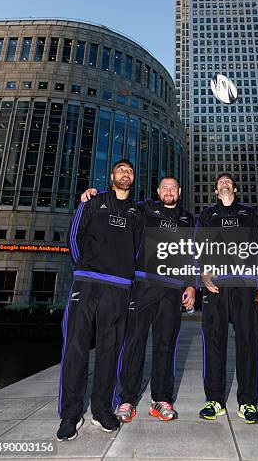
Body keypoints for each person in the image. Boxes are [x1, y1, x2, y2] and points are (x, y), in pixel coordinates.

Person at [81, 177, 195, 422]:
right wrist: (95, 194)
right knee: (135, 342)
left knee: (165, 344)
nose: (168, 191)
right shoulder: (144, 208)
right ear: (157, 191)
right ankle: (127, 400)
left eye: (173, 188)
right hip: (143, 284)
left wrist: (191, 285)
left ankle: (161, 399)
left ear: (180, 191)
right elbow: (120, 198)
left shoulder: (188, 218)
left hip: (172, 288)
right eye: (164, 188)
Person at [57, 159, 142, 442]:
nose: (125, 173)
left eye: (129, 171)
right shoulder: (93, 201)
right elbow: (74, 236)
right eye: (121, 170)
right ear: (112, 175)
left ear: (133, 178)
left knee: (109, 350)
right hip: (88, 283)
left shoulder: (136, 212)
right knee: (76, 347)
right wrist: (83, 267)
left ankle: (101, 409)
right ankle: (70, 414)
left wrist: (128, 276)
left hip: (119, 289)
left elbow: (139, 248)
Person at [197, 173, 258, 424]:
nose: (223, 184)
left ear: (235, 188)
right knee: (214, 342)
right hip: (216, 287)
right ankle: (214, 400)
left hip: (244, 285)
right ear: (216, 191)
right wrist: (202, 276)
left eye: (227, 182)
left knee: (247, 342)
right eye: (219, 183)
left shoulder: (249, 213)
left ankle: (247, 402)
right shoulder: (207, 215)